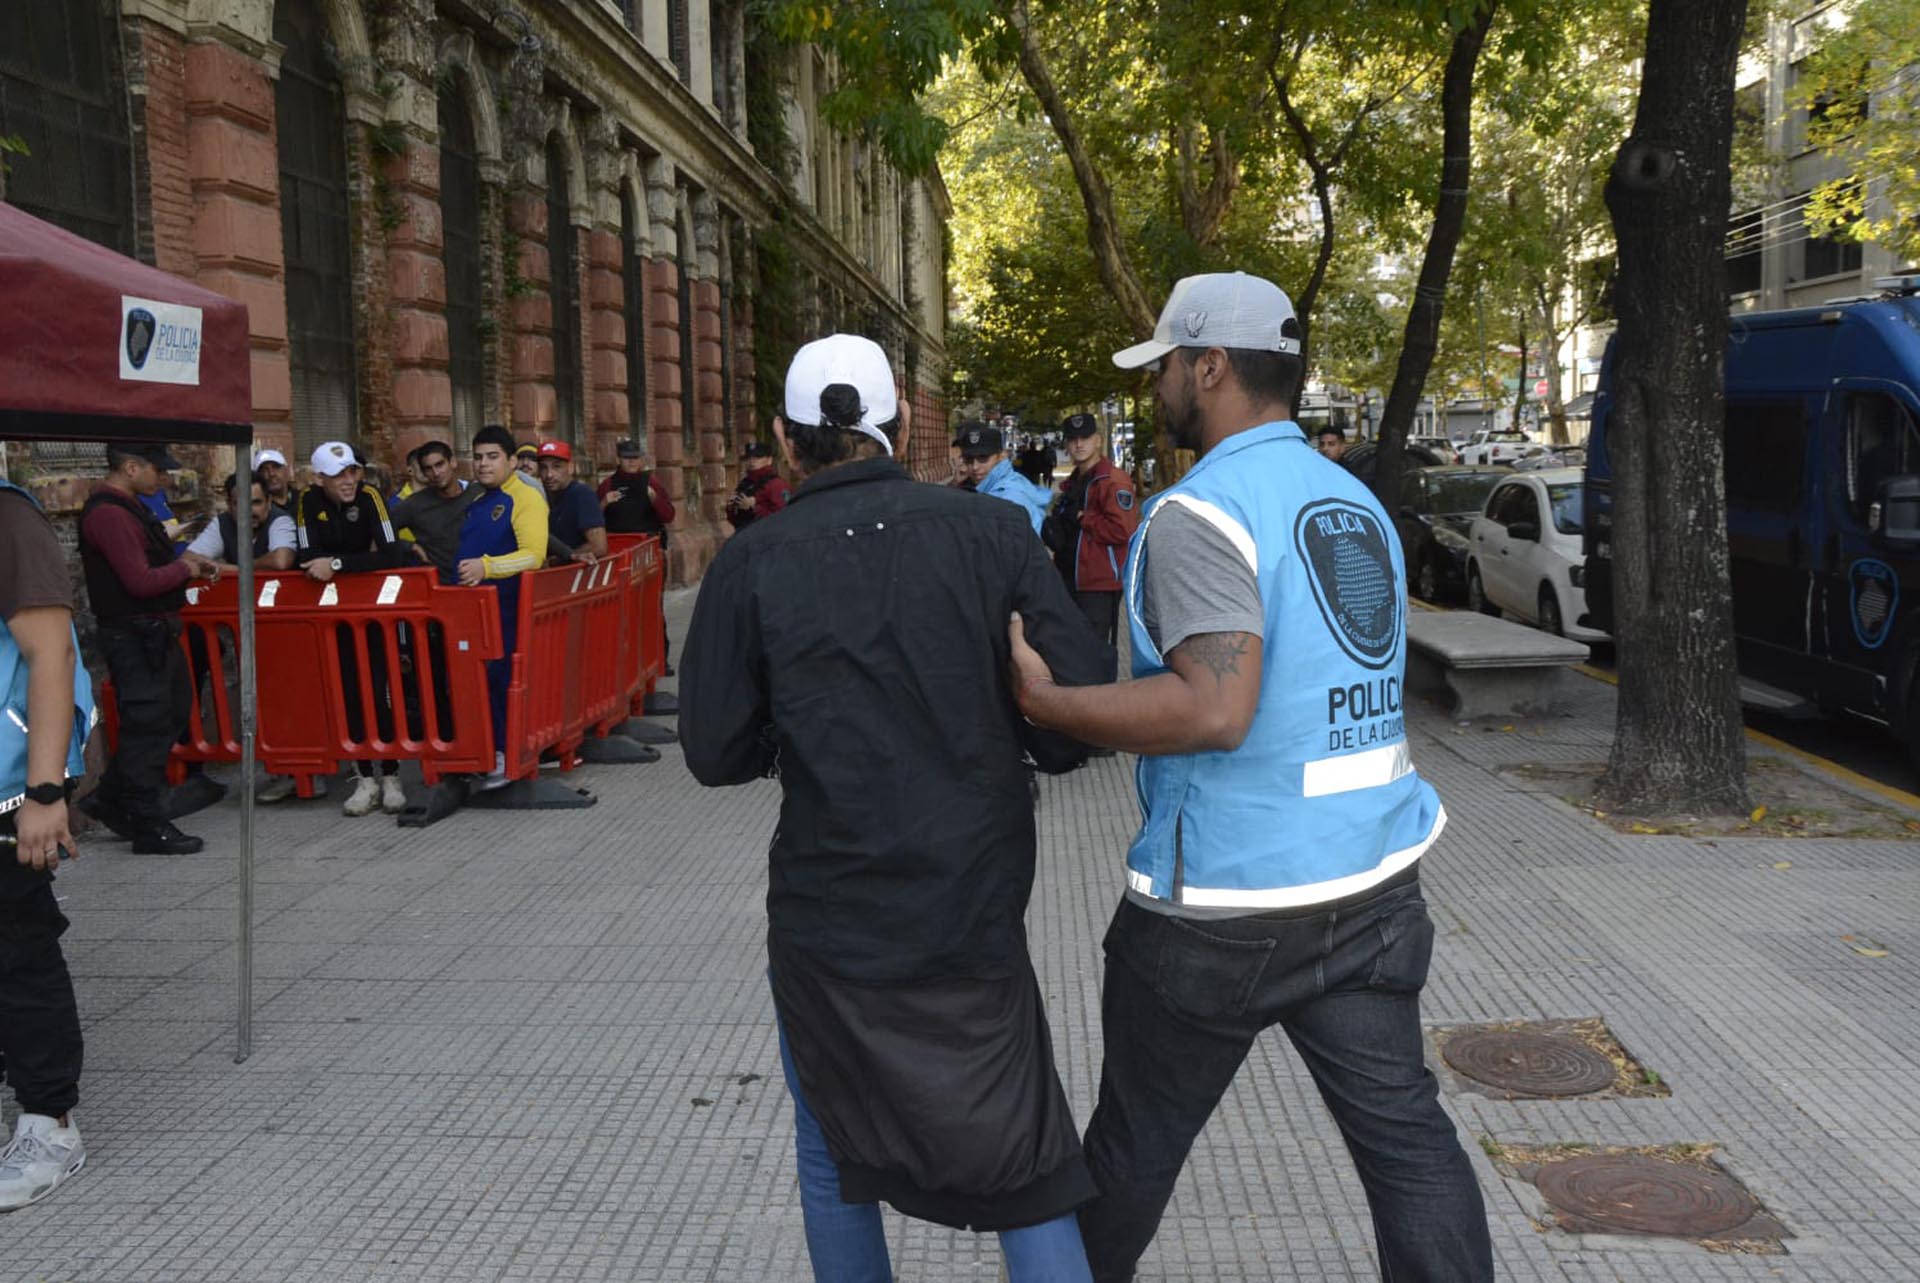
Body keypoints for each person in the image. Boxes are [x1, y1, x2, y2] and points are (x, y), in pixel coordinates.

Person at [1009, 272, 1493, 1283]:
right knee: (1410, 1145)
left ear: (1210, 366)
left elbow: (1214, 708)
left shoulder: (1202, 512)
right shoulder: (1349, 498)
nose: (1159, 392)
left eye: (1166, 369)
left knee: (1131, 1155)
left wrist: (1050, 706)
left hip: (1219, 911)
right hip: (1370, 884)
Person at [682, 334, 1111, 1283]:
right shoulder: (992, 537)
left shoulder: (752, 563)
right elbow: (1078, 722)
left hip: (830, 921)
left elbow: (714, 751)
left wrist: (780, 732)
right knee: (1025, 1155)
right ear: (903, 425)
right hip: (971, 911)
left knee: (834, 1145)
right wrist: (1022, 705)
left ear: (789, 446)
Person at [0, 476, 95, 1211]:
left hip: (9, 787)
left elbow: (51, 654)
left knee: (18, 948)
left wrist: (43, 791)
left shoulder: (7, 515)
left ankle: (50, 1123)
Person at [75, 444, 216, 855]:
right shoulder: (109, 514)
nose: (165, 478)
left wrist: (187, 568)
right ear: (130, 467)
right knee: (148, 724)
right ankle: (146, 820)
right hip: (134, 634)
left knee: (170, 710)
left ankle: (109, 798)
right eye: (158, 470)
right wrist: (185, 568)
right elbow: (139, 581)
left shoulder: (129, 507)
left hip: (151, 631)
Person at [293, 441, 411, 817]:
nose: (348, 481)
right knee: (348, 694)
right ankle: (364, 778)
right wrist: (344, 562)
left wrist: (340, 564)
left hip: (373, 608)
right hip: (332, 613)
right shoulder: (308, 502)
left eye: (352, 473)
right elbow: (306, 558)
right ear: (318, 478)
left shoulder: (371, 496)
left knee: (380, 691)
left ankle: (392, 774)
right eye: (337, 475)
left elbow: (392, 553)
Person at [456, 425, 549, 786]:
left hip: (508, 611)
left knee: (502, 680)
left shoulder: (525, 498)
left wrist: (487, 567)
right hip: (473, 612)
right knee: (478, 682)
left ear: (512, 460)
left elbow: (534, 556)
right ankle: (485, 752)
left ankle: (508, 756)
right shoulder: (477, 501)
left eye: (492, 456)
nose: (482, 464)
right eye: (478, 457)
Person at [1041, 412, 1138, 667]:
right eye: (1073, 439)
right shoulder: (1077, 479)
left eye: (1085, 438)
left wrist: (1084, 518)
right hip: (1070, 577)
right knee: (1073, 649)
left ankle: (1100, 702)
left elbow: (1122, 531)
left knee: (1093, 654)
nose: (1079, 444)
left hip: (1098, 584)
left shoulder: (1113, 481)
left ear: (1098, 440)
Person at [598, 437, 676, 674]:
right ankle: (624, 663)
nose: (631, 463)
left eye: (635, 458)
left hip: (648, 554)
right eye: (626, 458)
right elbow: (592, 520)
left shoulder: (650, 482)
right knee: (620, 612)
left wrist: (654, 499)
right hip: (618, 555)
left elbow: (668, 515)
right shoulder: (609, 485)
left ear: (641, 459)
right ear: (618, 459)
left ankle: (660, 659)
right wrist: (604, 503)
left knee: (653, 609)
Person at [387, 439, 477, 577]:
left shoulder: (478, 493)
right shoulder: (415, 504)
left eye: (439, 464)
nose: (436, 473)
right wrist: (408, 546)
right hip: (441, 586)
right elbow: (377, 530)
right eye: (428, 469)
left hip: (483, 581)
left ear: (452, 462)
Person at [185, 471, 296, 573]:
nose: (249, 511)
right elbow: (188, 559)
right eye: (240, 504)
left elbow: (281, 561)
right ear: (229, 505)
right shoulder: (223, 522)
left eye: (256, 503)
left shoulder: (280, 520)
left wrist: (237, 569)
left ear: (269, 502)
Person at [960, 423, 1053, 534]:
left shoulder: (1007, 497)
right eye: (969, 459)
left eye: (983, 458)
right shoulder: (1005, 482)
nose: (975, 467)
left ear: (1002, 456)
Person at [535, 440, 607, 562]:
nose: (549, 474)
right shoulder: (540, 495)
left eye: (557, 466)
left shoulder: (582, 494)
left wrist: (559, 560)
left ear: (570, 467)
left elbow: (599, 547)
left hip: (574, 575)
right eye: (543, 468)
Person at [724, 440, 791, 530]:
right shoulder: (745, 482)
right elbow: (736, 520)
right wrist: (732, 508)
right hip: (745, 534)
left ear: (769, 460)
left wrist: (754, 507)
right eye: (749, 458)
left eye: (758, 457)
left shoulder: (777, 484)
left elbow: (784, 516)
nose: (752, 461)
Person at [254, 448, 295, 518]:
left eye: (276, 467)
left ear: (286, 470)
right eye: (264, 470)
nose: (271, 473)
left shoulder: (303, 499)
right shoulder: (259, 509)